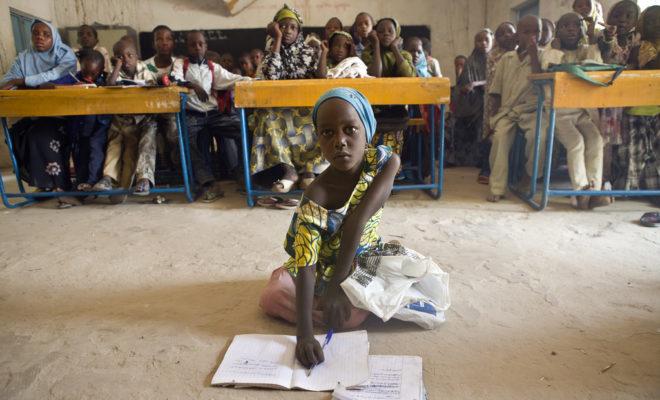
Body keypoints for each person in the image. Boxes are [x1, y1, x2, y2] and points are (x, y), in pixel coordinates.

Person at [258, 88, 401, 366]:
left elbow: (357, 222)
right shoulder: (316, 195)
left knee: (353, 314)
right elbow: (308, 262)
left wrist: (337, 288)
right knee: (272, 296)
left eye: (350, 130)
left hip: (361, 258)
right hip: (322, 266)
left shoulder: (384, 163)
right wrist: (305, 336)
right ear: (319, 140)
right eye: (328, 133)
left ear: (367, 131)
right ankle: (314, 302)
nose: (340, 142)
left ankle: (324, 303)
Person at [1, 20, 78, 208]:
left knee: (42, 136)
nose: (40, 38)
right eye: (36, 33)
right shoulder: (24, 57)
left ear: (54, 37)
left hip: (65, 115)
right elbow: (6, 82)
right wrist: (27, 82)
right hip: (36, 114)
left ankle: (61, 187)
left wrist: (23, 81)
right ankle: (45, 184)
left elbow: (56, 78)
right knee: (19, 136)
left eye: (46, 34)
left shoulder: (64, 54)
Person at [251, 4, 325, 193]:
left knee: (319, 118)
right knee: (267, 119)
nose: (287, 31)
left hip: (305, 106)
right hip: (279, 108)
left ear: (299, 31)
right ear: (275, 29)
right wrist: (276, 40)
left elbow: (321, 79)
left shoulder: (309, 52)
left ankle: (309, 170)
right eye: (282, 26)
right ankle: (289, 170)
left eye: (292, 27)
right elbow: (271, 76)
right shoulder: (271, 53)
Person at [171, 31, 250, 201]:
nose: (197, 47)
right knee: (184, 139)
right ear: (187, 47)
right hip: (193, 115)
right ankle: (208, 182)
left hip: (215, 114)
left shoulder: (213, 67)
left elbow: (234, 79)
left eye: (201, 44)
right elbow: (173, 79)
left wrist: (255, 80)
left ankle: (242, 174)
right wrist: (193, 85)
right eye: (193, 44)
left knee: (242, 129)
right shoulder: (180, 64)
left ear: (206, 46)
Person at [542, 13, 609, 209]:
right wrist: (555, 50)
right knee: (576, 142)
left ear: (582, 29)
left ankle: (594, 191)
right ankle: (580, 191)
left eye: (576, 25)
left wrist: (593, 41)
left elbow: (597, 67)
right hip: (558, 111)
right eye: (565, 26)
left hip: (581, 111)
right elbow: (547, 67)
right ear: (557, 31)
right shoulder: (550, 51)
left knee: (596, 139)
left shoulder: (587, 50)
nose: (571, 29)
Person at [487, 15, 547, 202]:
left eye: (536, 31)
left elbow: (541, 82)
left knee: (540, 136)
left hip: (533, 111)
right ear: (518, 35)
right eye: (526, 32)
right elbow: (495, 91)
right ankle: (497, 187)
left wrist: (534, 54)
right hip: (508, 111)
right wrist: (493, 117)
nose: (532, 36)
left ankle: (530, 177)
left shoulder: (544, 55)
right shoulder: (507, 58)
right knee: (499, 137)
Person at [92, 39, 158, 200]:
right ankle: (108, 178)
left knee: (143, 143)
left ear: (137, 56)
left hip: (142, 119)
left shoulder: (146, 69)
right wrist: (118, 66)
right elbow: (110, 84)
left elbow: (153, 90)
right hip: (121, 119)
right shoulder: (116, 71)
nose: (126, 59)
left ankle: (144, 179)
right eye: (121, 57)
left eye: (130, 55)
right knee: (113, 144)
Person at [47, 49, 111, 195]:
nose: (88, 77)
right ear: (80, 66)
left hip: (99, 127)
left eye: (93, 74)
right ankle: (82, 184)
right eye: (85, 72)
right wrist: (70, 88)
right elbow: (47, 85)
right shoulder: (73, 78)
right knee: (79, 154)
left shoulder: (105, 80)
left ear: (101, 70)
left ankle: (92, 181)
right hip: (78, 128)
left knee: (95, 150)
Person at [616, 5, 660, 206]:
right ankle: (631, 190)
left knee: (656, 154)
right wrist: (639, 50)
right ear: (642, 24)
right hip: (636, 108)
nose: (656, 25)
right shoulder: (637, 48)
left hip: (657, 109)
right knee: (635, 152)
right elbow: (633, 70)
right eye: (650, 21)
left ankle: (654, 191)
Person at [361, 17, 415, 156]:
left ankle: (389, 172)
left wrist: (395, 49)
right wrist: (377, 46)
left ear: (397, 35)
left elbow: (409, 75)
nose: (385, 34)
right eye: (381, 31)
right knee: (371, 146)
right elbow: (374, 76)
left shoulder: (404, 55)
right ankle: (371, 173)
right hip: (372, 109)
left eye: (390, 31)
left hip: (396, 110)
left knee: (391, 148)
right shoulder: (368, 54)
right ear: (375, 34)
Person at [479, 21, 516, 184]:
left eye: (509, 32)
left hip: (515, 99)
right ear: (497, 39)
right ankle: (487, 169)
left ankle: (512, 171)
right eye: (501, 34)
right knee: (491, 131)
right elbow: (495, 82)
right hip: (495, 99)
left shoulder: (521, 53)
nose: (506, 35)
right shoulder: (493, 55)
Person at [451, 29, 493, 168]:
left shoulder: (496, 59)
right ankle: (464, 158)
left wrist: (477, 84)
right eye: (479, 40)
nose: (483, 43)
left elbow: (495, 81)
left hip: (491, 100)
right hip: (471, 100)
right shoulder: (470, 61)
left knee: (483, 118)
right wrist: (466, 88)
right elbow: (462, 83)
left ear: (492, 40)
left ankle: (483, 160)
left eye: (486, 40)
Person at [143, 25, 179, 171]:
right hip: (150, 110)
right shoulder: (145, 65)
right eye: (159, 39)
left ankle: (177, 166)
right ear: (153, 44)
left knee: (174, 131)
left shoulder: (179, 64)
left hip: (173, 110)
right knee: (149, 131)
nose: (164, 42)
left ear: (173, 43)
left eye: (168, 39)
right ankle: (155, 168)